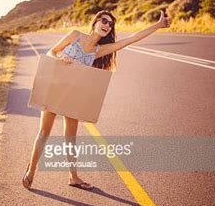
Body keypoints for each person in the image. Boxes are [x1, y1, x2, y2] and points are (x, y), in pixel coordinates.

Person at [22, 10, 172, 190]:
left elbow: (130, 39)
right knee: (44, 133)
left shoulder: (99, 50)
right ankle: (31, 170)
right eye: (104, 21)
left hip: (73, 93)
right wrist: (62, 58)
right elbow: (52, 52)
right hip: (56, 87)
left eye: (110, 25)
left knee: (70, 138)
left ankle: (73, 177)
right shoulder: (75, 35)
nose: (107, 25)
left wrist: (158, 25)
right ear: (95, 22)